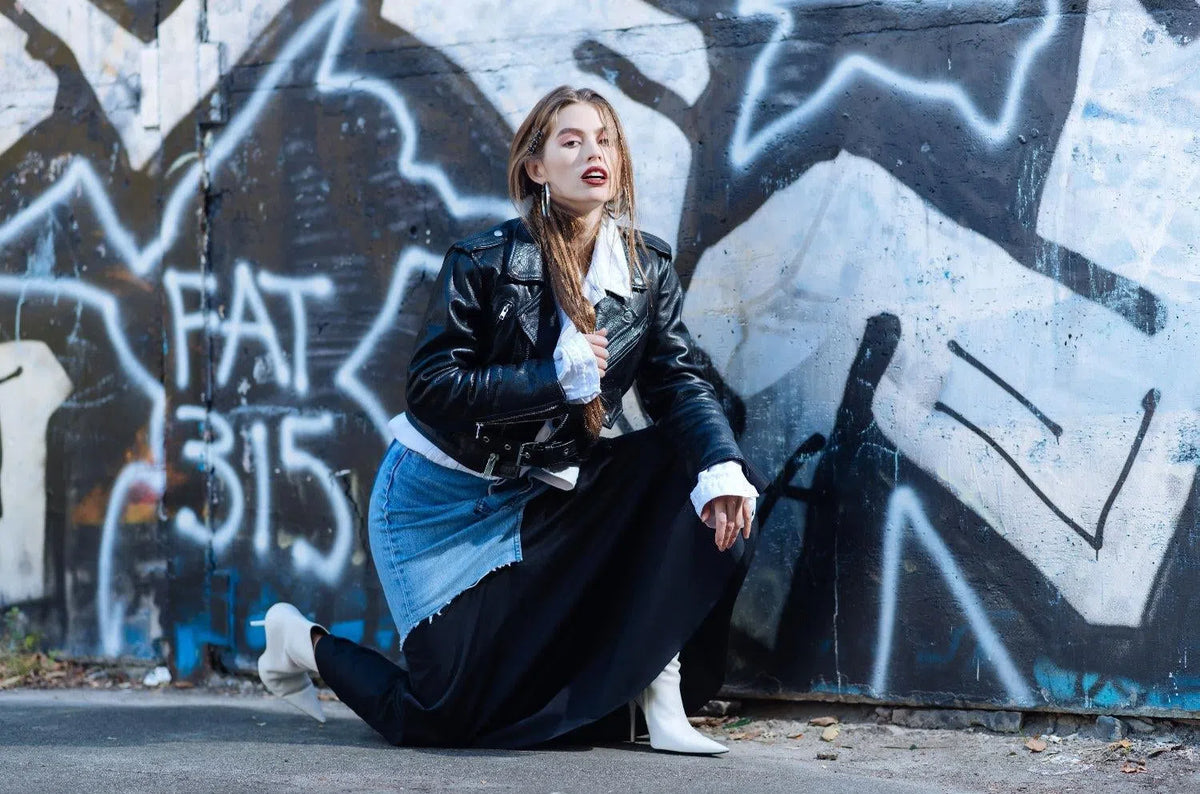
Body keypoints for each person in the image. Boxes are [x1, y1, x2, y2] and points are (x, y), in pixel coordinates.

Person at [251, 85, 763, 753]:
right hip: (436, 502)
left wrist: (720, 464)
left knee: (695, 469)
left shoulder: (645, 269)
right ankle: (300, 642)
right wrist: (551, 380)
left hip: (541, 495)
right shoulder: (484, 261)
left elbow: (677, 382)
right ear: (536, 167)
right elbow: (431, 387)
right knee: (441, 715)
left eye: (605, 140)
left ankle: (660, 697)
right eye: (571, 141)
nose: (594, 153)